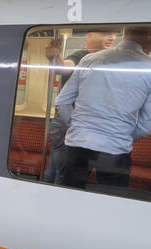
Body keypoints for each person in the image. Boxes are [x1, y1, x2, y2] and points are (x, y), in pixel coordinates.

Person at [55, 26, 151, 189]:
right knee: (113, 203)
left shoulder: (89, 59)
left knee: (68, 199)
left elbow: (62, 102)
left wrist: (78, 127)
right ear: (149, 36)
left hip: (78, 143)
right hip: (115, 149)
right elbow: (145, 125)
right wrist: (120, 136)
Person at [43, 28, 117, 184]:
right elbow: (63, 67)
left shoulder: (103, 59)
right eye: (105, 33)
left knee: (54, 169)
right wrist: (55, 57)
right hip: (69, 124)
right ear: (89, 35)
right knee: (64, 174)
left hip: (67, 123)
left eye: (113, 34)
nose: (111, 37)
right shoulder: (81, 57)